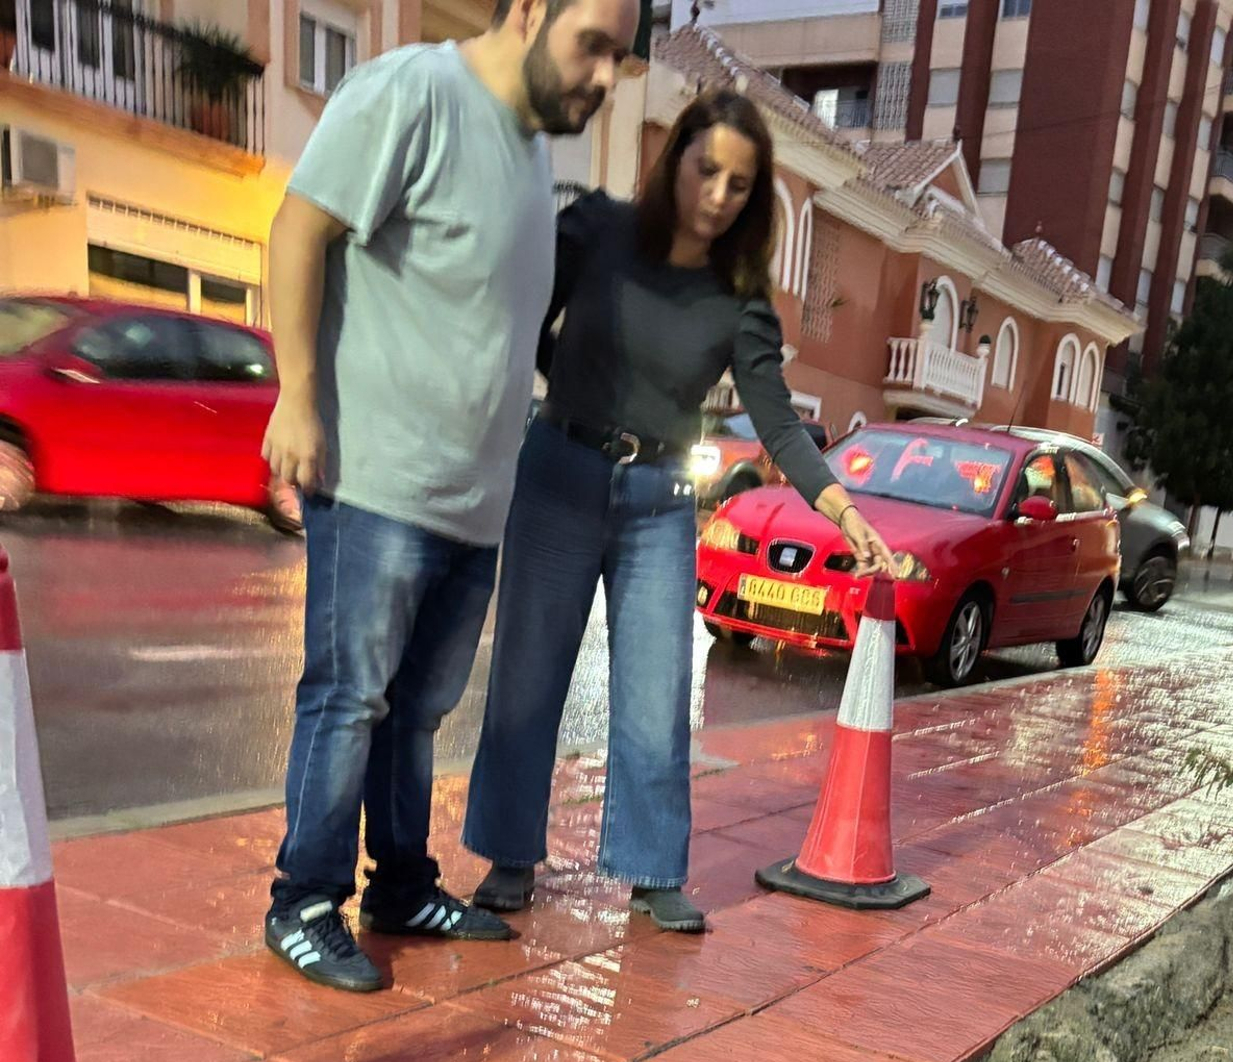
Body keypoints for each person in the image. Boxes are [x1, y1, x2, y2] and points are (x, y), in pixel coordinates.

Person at [262, 0, 638, 993]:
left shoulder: (525, 154)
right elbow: (301, 227)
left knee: (415, 712)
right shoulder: (415, 92)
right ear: (525, 12)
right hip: (378, 480)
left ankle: (400, 884)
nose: (605, 75)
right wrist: (296, 398)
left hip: (472, 504)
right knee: (347, 697)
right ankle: (303, 900)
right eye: (592, 43)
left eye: (620, 56)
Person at [463, 88, 895, 935]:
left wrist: (845, 512)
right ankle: (510, 855)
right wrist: (559, 392)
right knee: (527, 673)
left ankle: (653, 867)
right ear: (677, 160)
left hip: (659, 497)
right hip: (559, 470)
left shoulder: (740, 298)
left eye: (739, 184)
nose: (718, 195)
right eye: (707, 170)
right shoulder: (597, 230)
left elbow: (777, 421)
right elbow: (521, 323)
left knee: (659, 689)